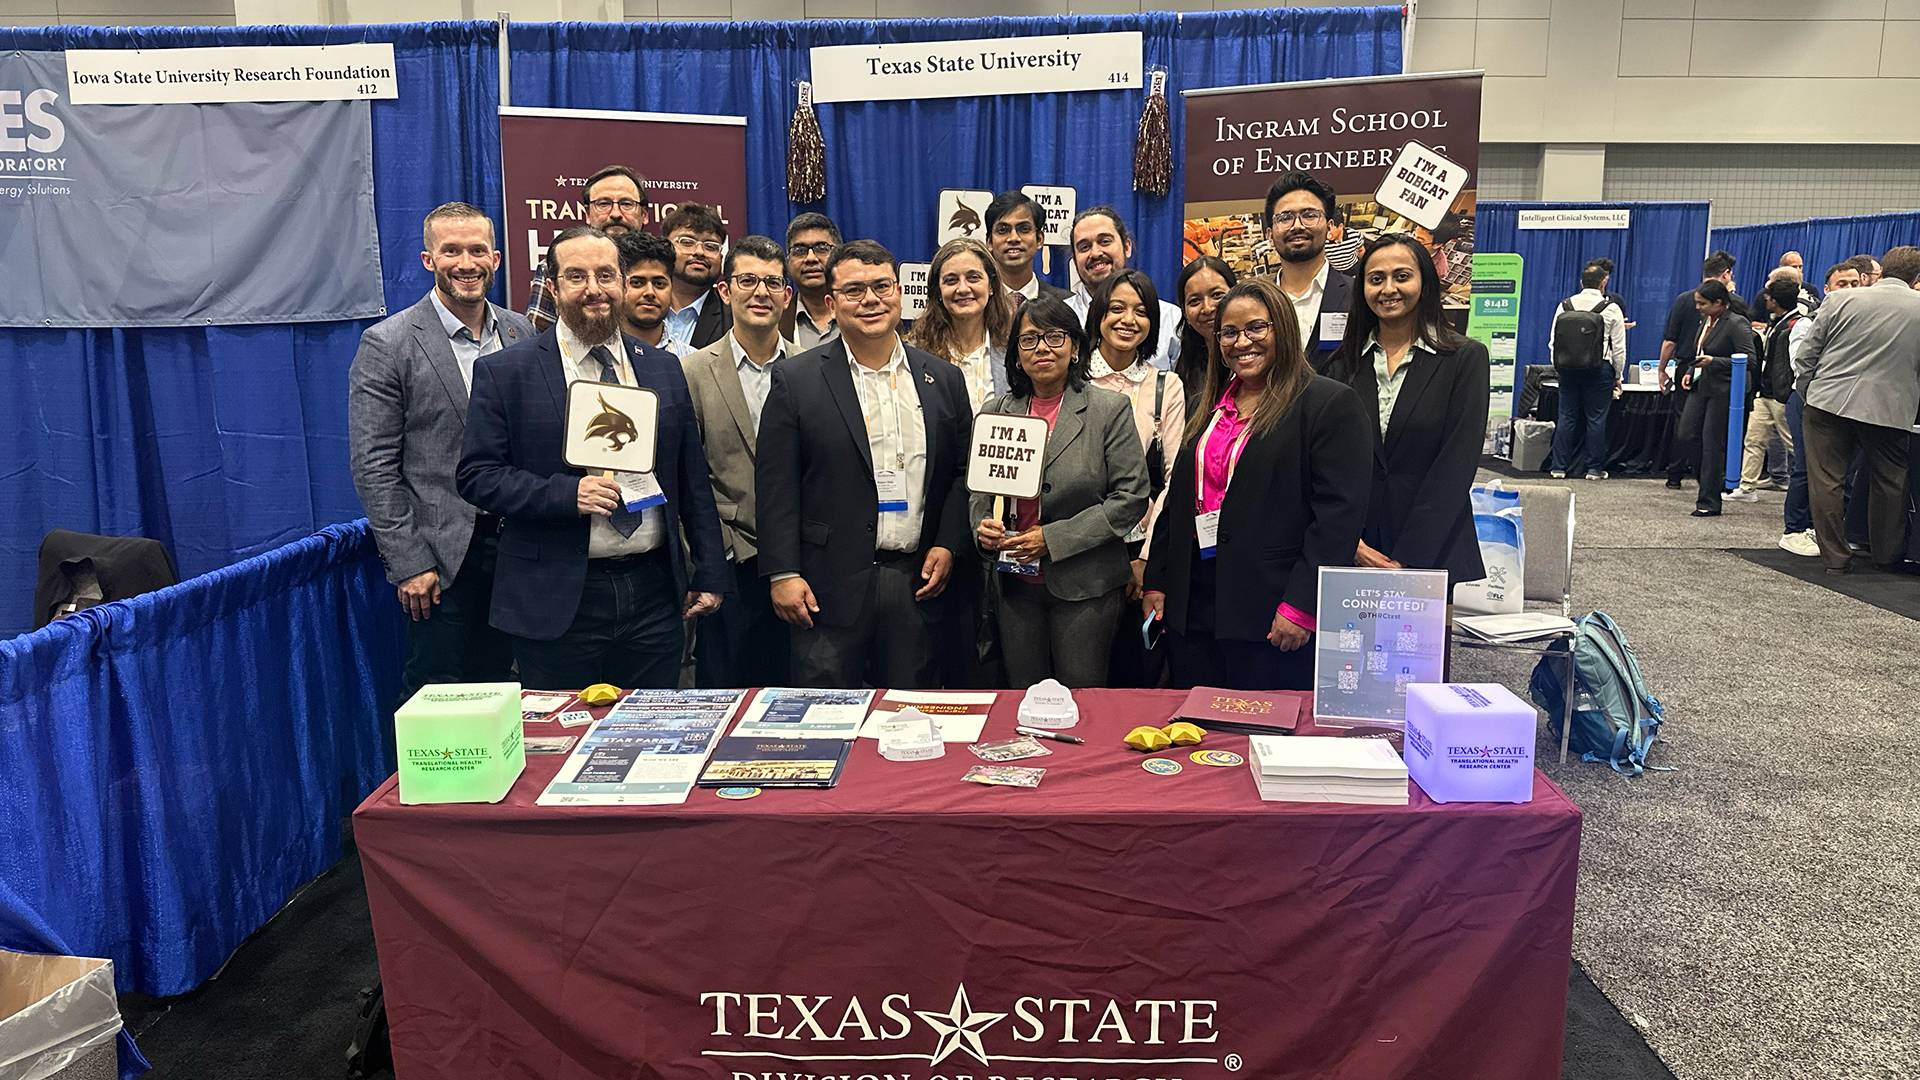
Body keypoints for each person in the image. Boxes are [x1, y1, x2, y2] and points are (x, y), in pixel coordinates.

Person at [457, 225, 729, 689]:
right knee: (564, 730)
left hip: (653, 591)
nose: (594, 289)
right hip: (557, 594)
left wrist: (709, 570)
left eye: (605, 275)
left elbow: (691, 478)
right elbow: (477, 476)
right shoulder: (507, 372)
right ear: (553, 287)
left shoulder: (663, 368)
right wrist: (566, 494)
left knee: (649, 726)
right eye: (576, 276)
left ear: (621, 282)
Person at [756, 240, 973, 688]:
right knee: (825, 716)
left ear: (900, 293)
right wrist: (783, 572)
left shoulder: (943, 378)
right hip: (825, 585)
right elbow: (776, 484)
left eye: (881, 287)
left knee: (909, 715)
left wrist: (949, 543)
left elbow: (960, 473)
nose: (871, 300)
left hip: (916, 579)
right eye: (854, 290)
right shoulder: (796, 380)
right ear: (831, 303)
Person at [1142, 278, 1371, 691]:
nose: (1242, 342)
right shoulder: (1208, 405)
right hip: (1194, 604)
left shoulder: (1327, 404)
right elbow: (1179, 501)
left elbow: (1337, 519)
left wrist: (1301, 605)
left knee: (1258, 722)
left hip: (1269, 609)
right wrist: (1158, 579)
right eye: (1229, 332)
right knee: (1195, 722)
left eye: (1256, 328)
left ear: (1283, 328)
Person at [349, 202, 533, 703]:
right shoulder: (387, 343)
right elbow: (373, 466)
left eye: (477, 250)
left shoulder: (521, 333)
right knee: (438, 696)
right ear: (429, 259)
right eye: (451, 251)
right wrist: (409, 562)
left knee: (508, 691)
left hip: (518, 548)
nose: (466, 263)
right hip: (440, 558)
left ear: (496, 258)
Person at [972, 298, 1149, 687]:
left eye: (1054, 337)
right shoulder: (996, 412)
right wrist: (983, 526)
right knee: (1023, 698)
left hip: (1086, 586)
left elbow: (1131, 497)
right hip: (1014, 586)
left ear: (1075, 347)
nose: (1042, 348)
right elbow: (980, 495)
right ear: (1016, 355)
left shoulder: (1109, 409)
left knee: (1081, 698)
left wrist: (1053, 539)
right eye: (1029, 339)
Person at [1325, 235, 1489, 590]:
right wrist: (1353, 544)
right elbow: (1327, 466)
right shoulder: (1341, 365)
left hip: (1432, 549)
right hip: (1353, 550)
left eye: (1402, 276)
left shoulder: (1464, 359)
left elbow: (1456, 465)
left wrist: (1407, 561)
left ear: (1425, 282)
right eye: (1376, 279)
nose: (1388, 289)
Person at [680, 235, 796, 689]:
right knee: (724, 697)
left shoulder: (813, 368)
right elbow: (686, 478)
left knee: (798, 701)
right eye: (747, 280)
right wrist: (713, 557)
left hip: (800, 566)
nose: (760, 292)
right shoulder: (692, 371)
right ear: (725, 291)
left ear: (787, 295)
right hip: (728, 564)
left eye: (772, 282)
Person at [1086, 269, 1187, 687]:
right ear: (1098, 314)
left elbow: (1174, 479)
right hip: (1081, 552)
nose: (1128, 320)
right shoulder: (1073, 380)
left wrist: (1146, 558)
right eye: (1117, 308)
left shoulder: (1166, 386)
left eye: (1141, 311)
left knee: (1134, 677)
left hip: (1140, 548)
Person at [1795, 245, 1920, 573]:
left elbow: (1807, 355)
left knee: (1826, 481)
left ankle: (1835, 559)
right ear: (1916, 277)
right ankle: (1886, 556)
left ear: (1880, 272)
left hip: (1827, 403)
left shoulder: (1839, 300)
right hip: (1890, 409)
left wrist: (1809, 393)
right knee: (1890, 481)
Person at [1780, 261, 1864, 556]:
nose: (1850, 289)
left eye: (1855, 283)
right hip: (1808, 400)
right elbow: (1802, 366)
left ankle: (1833, 531)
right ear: (1827, 289)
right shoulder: (1808, 323)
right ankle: (1794, 530)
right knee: (1806, 467)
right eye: (1842, 284)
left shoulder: (1865, 323)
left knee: (1847, 471)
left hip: (1850, 402)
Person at [526, 165, 648, 332]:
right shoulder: (554, 266)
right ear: (588, 214)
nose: (615, 213)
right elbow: (538, 337)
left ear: (644, 215)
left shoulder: (665, 266)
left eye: (626, 204)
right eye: (604, 204)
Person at [1661, 252, 1747, 488]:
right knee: (1689, 429)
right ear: (1726, 274)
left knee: (1705, 433)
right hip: (1694, 370)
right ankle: (1703, 477)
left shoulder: (1688, 301)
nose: (1698, 307)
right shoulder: (1727, 305)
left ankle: (1690, 478)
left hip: (1715, 375)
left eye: (1702, 304)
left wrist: (1663, 369)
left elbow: (1670, 341)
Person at [1675, 280, 1758, 517]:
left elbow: (1749, 360)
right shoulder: (1706, 320)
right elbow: (1701, 352)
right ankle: (1710, 482)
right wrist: (1691, 370)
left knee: (1712, 443)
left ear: (1719, 303)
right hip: (1702, 384)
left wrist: (1714, 362)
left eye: (1702, 304)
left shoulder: (1736, 323)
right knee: (1686, 434)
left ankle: (1709, 501)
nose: (1698, 308)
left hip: (1725, 389)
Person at [1065, 206, 1181, 369]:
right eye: (1084, 247)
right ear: (1075, 258)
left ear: (1127, 247)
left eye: (1105, 241)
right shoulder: (1059, 318)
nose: (1095, 253)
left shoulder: (1171, 318)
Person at [1263, 171, 1355, 373]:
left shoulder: (1358, 295)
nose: (1297, 226)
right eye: (1285, 217)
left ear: (1330, 227)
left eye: (1309, 215)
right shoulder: (1257, 300)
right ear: (1269, 234)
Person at [907, 236, 1012, 411]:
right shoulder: (915, 354)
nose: (963, 288)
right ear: (938, 292)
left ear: (991, 286)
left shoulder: (1015, 349)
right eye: (951, 280)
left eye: (973, 278)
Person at [1546, 260, 1628, 480]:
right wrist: (1618, 375)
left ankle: (1558, 467)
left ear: (1581, 282)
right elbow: (1619, 348)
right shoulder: (1611, 308)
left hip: (1567, 369)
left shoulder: (1565, 306)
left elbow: (1553, 342)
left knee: (1566, 417)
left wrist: (1559, 367)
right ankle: (1594, 469)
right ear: (1603, 282)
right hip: (1599, 369)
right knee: (1596, 419)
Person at [1730, 277, 1803, 503]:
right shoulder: (1777, 322)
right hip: (1764, 393)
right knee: (1754, 439)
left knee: (1795, 444)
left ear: (1776, 301)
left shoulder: (1796, 324)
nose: (1765, 300)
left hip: (1781, 395)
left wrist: (1787, 390)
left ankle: (1810, 486)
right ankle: (1747, 487)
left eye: (1769, 297)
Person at [661, 203, 732, 354]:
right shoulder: (638, 305)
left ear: (721, 257)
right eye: (687, 242)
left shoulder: (733, 320)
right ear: (665, 248)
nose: (699, 252)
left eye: (711, 246)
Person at [985, 191, 1069, 306]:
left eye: (1024, 229)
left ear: (1039, 239)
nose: (1013, 238)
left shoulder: (1066, 304)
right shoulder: (977, 304)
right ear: (989, 242)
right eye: (1003, 230)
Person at [1175, 256, 1236, 407]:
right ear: (1185, 312)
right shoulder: (1183, 370)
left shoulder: (1258, 358)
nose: (1207, 308)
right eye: (1195, 301)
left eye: (1217, 295)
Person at [782, 212, 843, 351]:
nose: (811, 258)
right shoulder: (775, 321)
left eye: (822, 248)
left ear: (839, 257)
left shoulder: (862, 312)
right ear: (788, 262)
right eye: (799, 250)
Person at [615, 231, 677, 353]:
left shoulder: (694, 360)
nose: (650, 292)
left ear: (672, 287)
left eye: (659, 284)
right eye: (637, 283)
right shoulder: (598, 356)